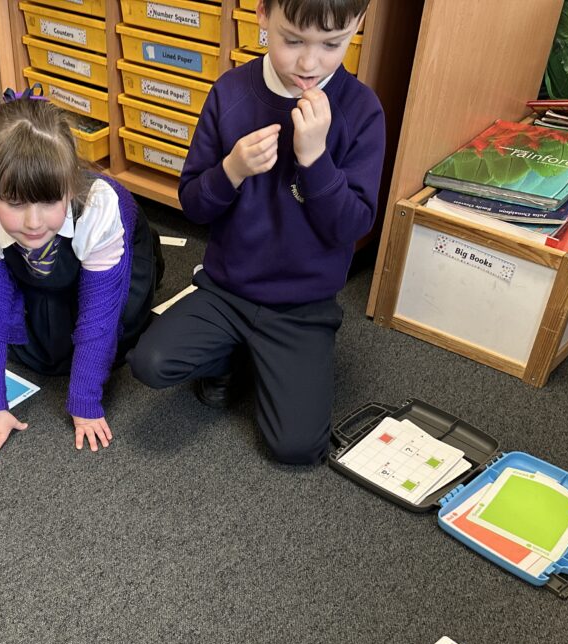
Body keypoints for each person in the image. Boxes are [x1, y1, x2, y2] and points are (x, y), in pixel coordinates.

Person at [128, 0, 385, 465]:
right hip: (227, 291)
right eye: (293, 40)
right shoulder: (231, 92)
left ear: (357, 26)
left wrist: (315, 160)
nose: (309, 63)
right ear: (263, 14)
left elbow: (351, 226)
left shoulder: (361, 110)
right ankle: (231, 357)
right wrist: (231, 170)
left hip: (302, 306)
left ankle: (259, 358)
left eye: (332, 44)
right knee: (149, 362)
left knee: (296, 448)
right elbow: (193, 203)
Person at [0, 92, 161, 460]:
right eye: (15, 203)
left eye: (49, 202)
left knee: (111, 333)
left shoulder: (98, 210)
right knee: (39, 351)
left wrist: (85, 403)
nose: (33, 222)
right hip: (46, 265)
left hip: (113, 256)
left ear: (69, 183)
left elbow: (98, 319)